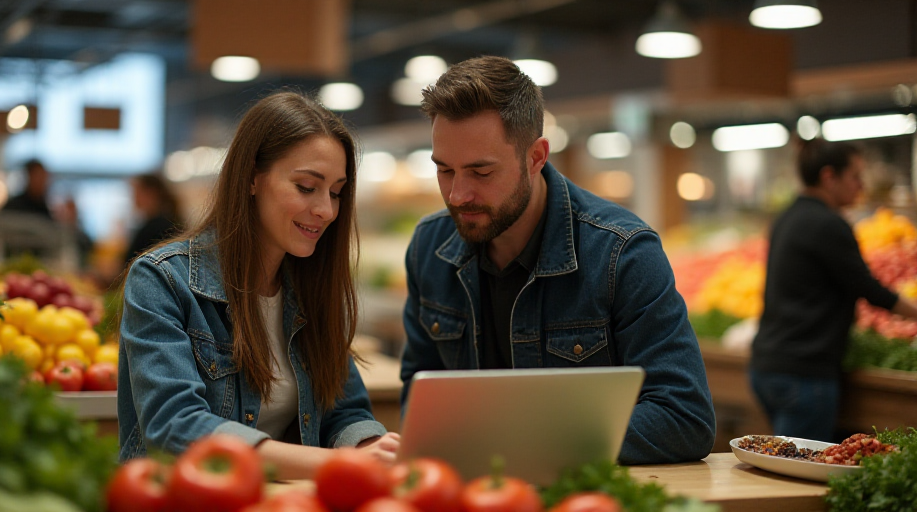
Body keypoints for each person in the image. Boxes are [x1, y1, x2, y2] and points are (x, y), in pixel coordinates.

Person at [400, 56, 716, 465]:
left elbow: (684, 418)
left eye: (481, 172)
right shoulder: (430, 247)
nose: (458, 194)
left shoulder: (621, 252)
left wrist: (517, 446)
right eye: (445, 170)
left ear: (535, 157)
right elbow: (420, 388)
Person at [118, 91, 399, 478]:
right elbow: (176, 428)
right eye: (306, 187)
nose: (326, 210)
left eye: (335, 192)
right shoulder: (162, 280)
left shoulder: (311, 287)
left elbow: (344, 410)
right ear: (252, 178)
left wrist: (372, 448)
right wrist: (338, 463)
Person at [750, 139, 917, 443]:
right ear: (829, 177)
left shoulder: (786, 216)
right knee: (797, 475)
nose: (861, 186)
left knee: (783, 463)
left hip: (767, 364)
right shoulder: (828, 224)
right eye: (855, 176)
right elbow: (869, 288)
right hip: (804, 373)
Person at [123, 173, 183, 264]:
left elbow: (130, 262)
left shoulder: (155, 227)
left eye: (136, 192)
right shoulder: (169, 221)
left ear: (150, 193)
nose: (133, 198)